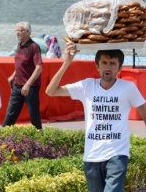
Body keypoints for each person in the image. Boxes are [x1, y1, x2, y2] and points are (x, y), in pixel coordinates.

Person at [45, 40, 146, 192]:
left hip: (117, 154)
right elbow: (51, 91)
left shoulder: (128, 88)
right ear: (97, 66)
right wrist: (67, 62)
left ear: (119, 67)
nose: (108, 67)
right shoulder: (87, 86)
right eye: (104, 62)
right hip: (92, 155)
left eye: (112, 63)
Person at [2, 21, 42, 129]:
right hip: (17, 86)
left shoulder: (34, 47)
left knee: (34, 117)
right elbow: (21, 63)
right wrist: (13, 75)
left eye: (20, 30)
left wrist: (28, 85)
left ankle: (40, 141)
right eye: (17, 30)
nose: (17, 33)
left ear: (28, 32)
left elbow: (38, 68)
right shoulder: (19, 45)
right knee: (10, 114)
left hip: (31, 88)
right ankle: (3, 139)